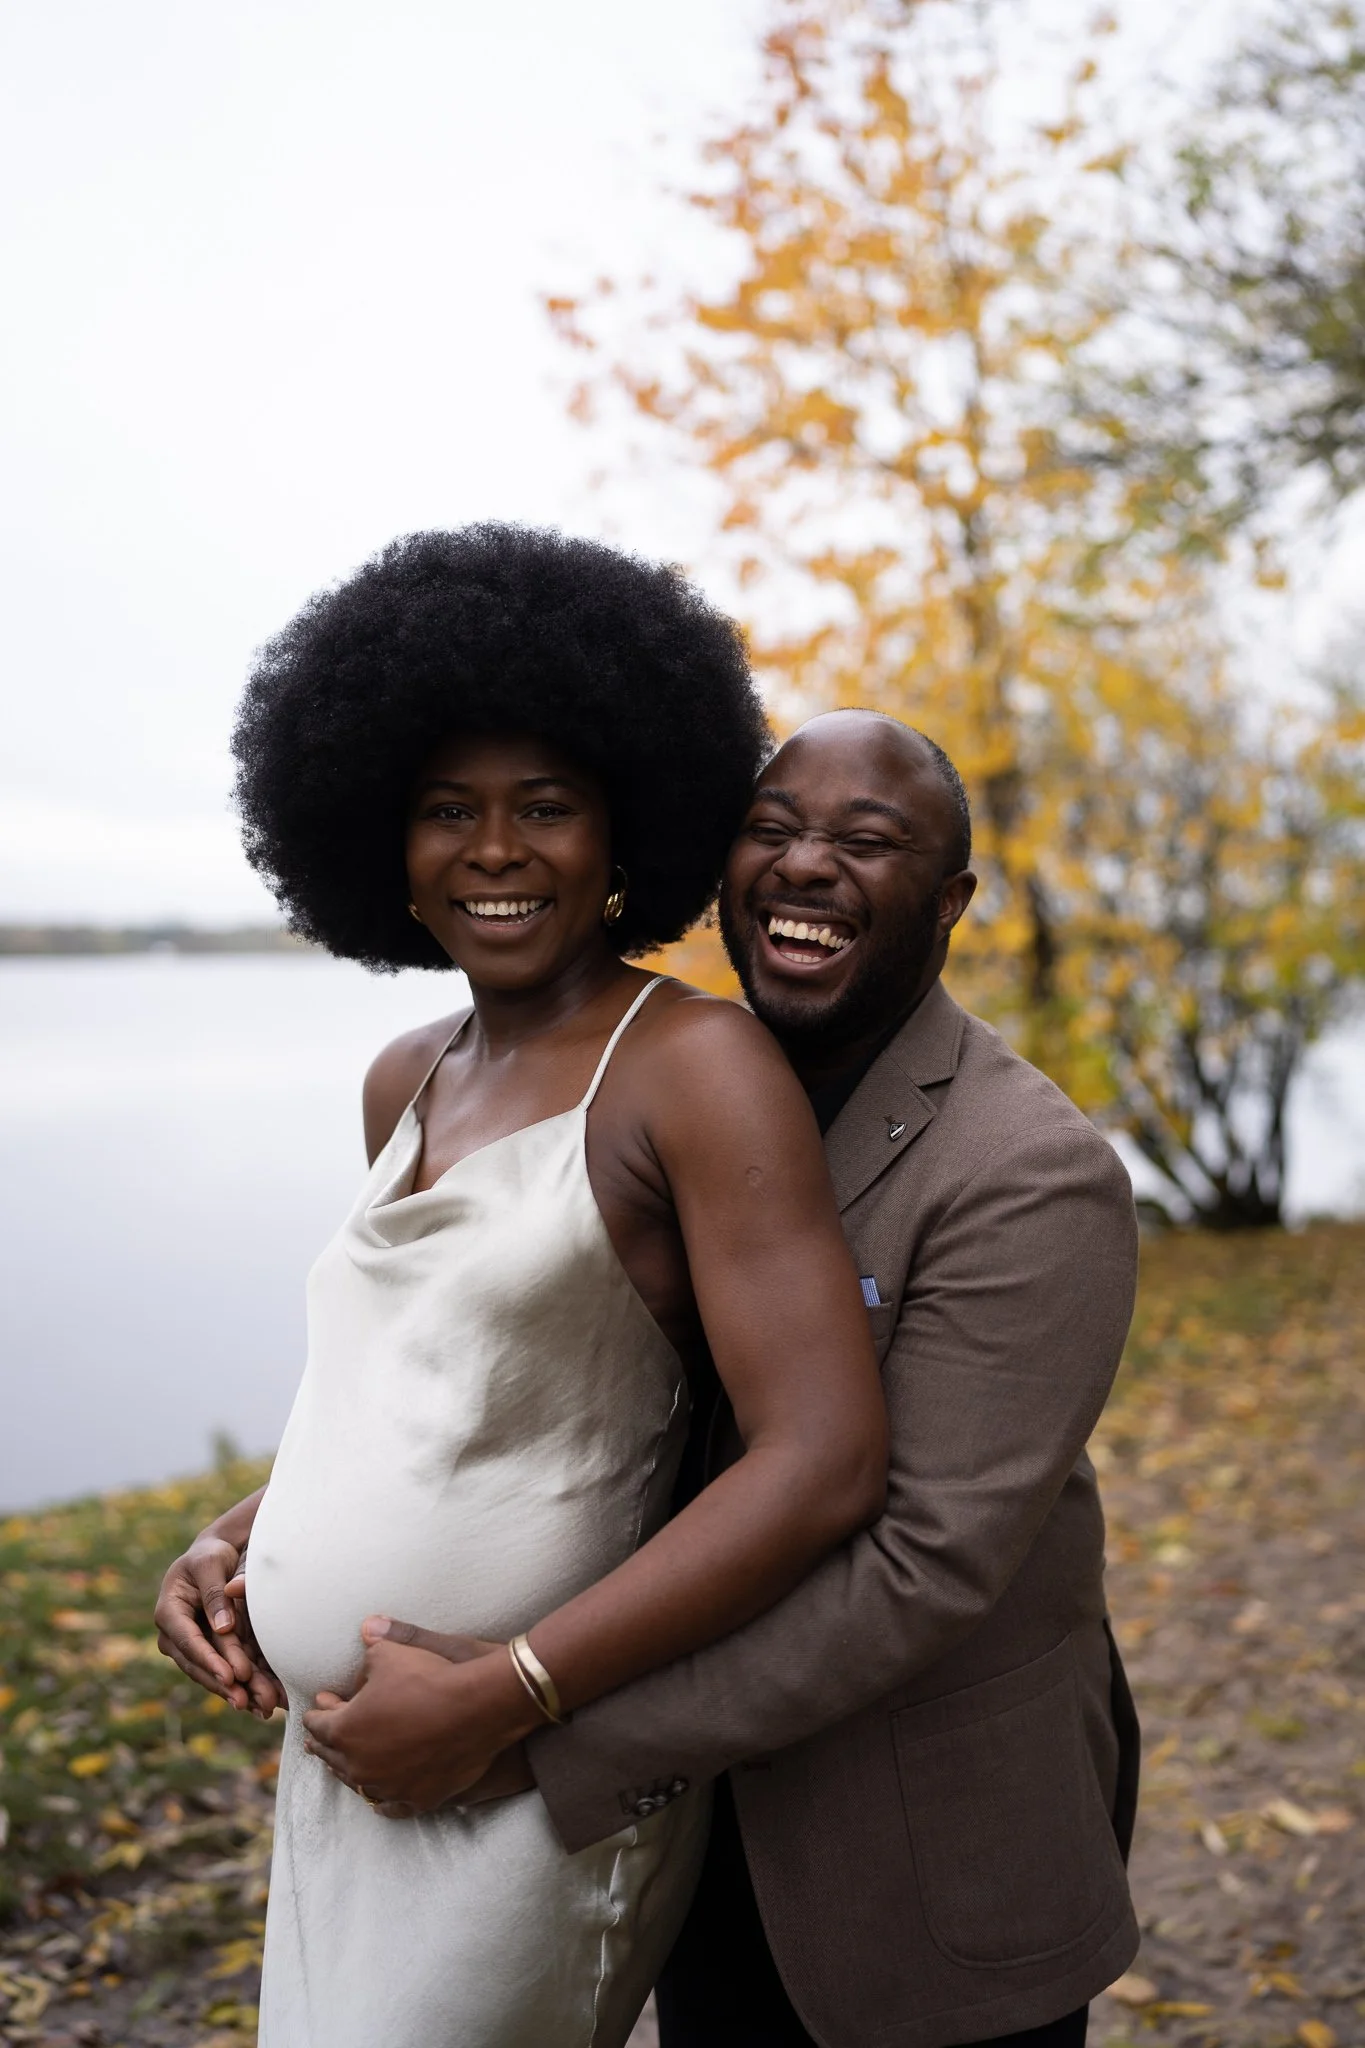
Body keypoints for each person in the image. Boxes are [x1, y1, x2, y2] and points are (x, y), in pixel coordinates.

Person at [153, 528, 889, 2048]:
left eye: (545, 806)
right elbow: (428, 1399)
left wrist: (511, 1692)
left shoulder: (692, 1068)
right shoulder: (404, 1078)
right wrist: (240, 1539)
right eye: (448, 810)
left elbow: (823, 1459)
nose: (494, 850)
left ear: (624, 836)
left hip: (520, 1781)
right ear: (381, 840)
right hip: (347, 1765)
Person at [347, 710, 1144, 2048]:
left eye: (868, 840)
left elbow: (921, 1566)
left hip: (923, 1858)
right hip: (691, 1851)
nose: (807, 864)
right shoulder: (663, 1091)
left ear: (952, 900)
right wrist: (263, 1529)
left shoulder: (1029, 1173)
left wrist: (536, 1727)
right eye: (772, 830)